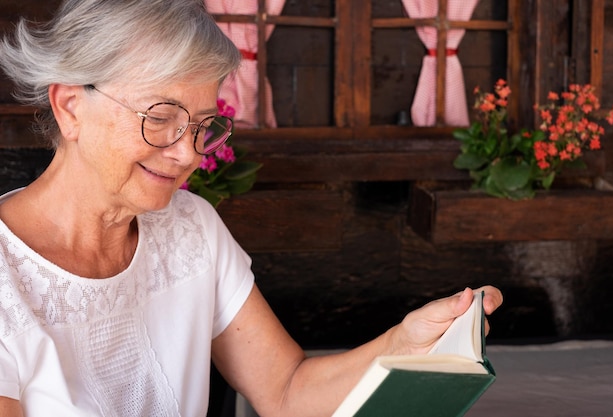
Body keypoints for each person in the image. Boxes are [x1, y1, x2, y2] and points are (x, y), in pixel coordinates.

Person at [0, 1, 503, 416]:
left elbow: (286, 391)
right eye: (160, 117)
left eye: (201, 125)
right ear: (70, 106)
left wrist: (402, 344)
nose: (187, 153)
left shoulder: (191, 228)